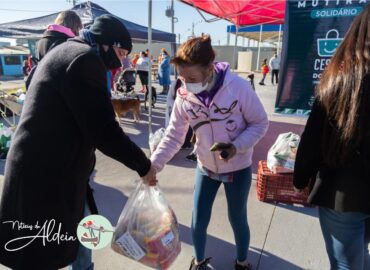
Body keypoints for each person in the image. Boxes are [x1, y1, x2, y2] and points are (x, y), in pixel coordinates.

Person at [0, 14, 156, 270]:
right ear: (106, 43)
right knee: (39, 252)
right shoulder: (84, 59)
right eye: (121, 52)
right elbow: (104, 129)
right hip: (43, 177)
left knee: (82, 236)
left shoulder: (68, 51)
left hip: (57, 170)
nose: (122, 60)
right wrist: (143, 166)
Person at [151, 35, 269, 270]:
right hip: (205, 166)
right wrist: (153, 165)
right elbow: (174, 135)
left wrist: (236, 146)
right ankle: (198, 261)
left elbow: (260, 123)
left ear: (210, 68)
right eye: (182, 78)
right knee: (199, 218)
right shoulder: (184, 96)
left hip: (238, 168)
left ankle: (242, 261)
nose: (186, 84)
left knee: (237, 218)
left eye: (192, 78)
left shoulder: (237, 87)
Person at [293, 5, 370, 270]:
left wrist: (300, 177)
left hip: (343, 192)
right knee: (360, 253)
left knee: (346, 262)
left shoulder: (342, 78)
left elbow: (313, 137)